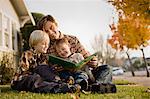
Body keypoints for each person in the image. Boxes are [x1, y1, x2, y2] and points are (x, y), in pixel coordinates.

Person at [37, 15, 116, 93]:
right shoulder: (46, 46)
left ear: (56, 24)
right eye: (47, 31)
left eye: (51, 27)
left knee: (107, 68)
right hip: (66, 78)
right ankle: (91, 87)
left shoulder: (72, 39)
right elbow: (45, 68)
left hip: (83, 73)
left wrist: (94, 62)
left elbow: (87, 57)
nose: (50, 33)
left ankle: (95, 85)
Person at [11, 30, 80, 93]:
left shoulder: (44, 57)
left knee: (45, 71)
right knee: (36, 78)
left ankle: (63, 85)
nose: (46, 46)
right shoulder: (27, 54)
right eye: (43, 44)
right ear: (34, 44)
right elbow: (24, 70)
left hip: (37, 78)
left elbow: (46, 72)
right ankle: (58, 88)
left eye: (47, 44)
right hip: (22, 80)